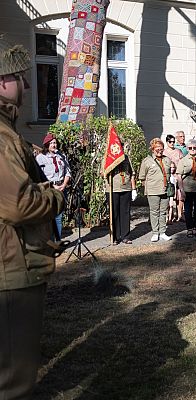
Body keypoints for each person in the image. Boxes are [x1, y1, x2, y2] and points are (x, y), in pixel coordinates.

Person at [0, 38, 65, 399]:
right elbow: (18, 204)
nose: (26, 84)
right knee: (14, 382)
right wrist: (54, 196)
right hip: (10, 269)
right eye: (18, 76)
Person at [36, 133, 71, 239]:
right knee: (49, 216)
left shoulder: (62, 156)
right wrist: (52, 186)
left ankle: (58, 241)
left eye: (55, 143)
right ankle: (50, 241)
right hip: (49, 189)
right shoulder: (41, 158)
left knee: (59, 217)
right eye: (51, 143)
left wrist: (64, 184)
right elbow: (39, 176)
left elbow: (68, 172)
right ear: (46, 145)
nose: (54, 145)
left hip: (61, 188)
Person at [138, 138, 173, 242]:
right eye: (157, 149)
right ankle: (155, 233)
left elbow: (169, 174)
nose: (159, 151)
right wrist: (148, 189)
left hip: (165, 190)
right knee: (154, 212)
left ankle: (162, 232)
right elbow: (142, 177)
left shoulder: (167, 159)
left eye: (161, 149)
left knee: (163, 212)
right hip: (153, 191)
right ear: (152, 149)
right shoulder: (147, 161)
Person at [104, 151, 136, 244]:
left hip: (126, 188)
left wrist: (134, 189)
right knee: (114, 213)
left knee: (125, 213)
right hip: (112, 189)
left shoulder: (126, 157)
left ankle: (125, 236)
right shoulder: (107, 157)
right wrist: (109, 167)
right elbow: (102, 173)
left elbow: (131, 173)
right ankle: (115, 236)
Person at [164, 134, 184, 222]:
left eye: (173, 142)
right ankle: (170, 215)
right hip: (168, 176)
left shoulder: (178, 151)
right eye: (170, 142)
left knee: (179, 195)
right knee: (169, 195)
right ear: (167, 142)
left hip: (178, 175)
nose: (172, 143)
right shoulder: (164, 152)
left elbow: (182, 162)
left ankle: (179, 214)